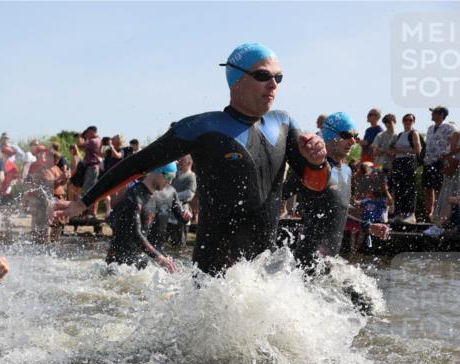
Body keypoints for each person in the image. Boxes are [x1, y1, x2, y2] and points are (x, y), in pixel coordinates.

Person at [55, 42, 330, 276]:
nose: (273, 84)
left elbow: (316, 184)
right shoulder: (202, 127)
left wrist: (317, 161)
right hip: (215, 272)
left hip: (263, 269)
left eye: (278, 78)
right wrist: (82, 202)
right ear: (236, 80)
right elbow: (137, 164)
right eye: (262, 75)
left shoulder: (284, 124)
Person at [295, 113, 390, 269]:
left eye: (355, 136)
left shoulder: (346, 171)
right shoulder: (314, 169)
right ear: (330, 136)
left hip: (331, 260)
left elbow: (340, 212)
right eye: (346, 135)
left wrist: (367, 226)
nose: (353, 141)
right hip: (307, 261)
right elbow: (276, 194)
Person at [106, 163, 183, 272]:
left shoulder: (154, 195)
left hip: (139, 257)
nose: (170, 182)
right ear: (157, 171)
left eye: (173, 178)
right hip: (119, 261)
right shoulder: (134, 195)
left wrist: (161, 255)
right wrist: (158, 257)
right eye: (168, 177)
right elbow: (135, 233)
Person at [423, 106, 457, 221]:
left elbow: (456, 142)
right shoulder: (430, 128)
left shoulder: (450, 127)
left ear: (442, 114)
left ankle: (439, 214)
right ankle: (429, 214)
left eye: (435, 112)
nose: (432, 114)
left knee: (439, 188)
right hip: (428, 161)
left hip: (441, 161)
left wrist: (447, 155)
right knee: (428, 188)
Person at [388, 113, 422, 222]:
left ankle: (410, 214)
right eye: (406, 120)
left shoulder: (414, 133)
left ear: (413, 122)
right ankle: (399, 213)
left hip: (408, 162)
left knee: (409, 188)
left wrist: (401, 151)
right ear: (403, 122)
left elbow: (418, 150)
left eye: (410, 120)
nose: (408, 122)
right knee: (399, 188)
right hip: (398, 162)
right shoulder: (400, 134)